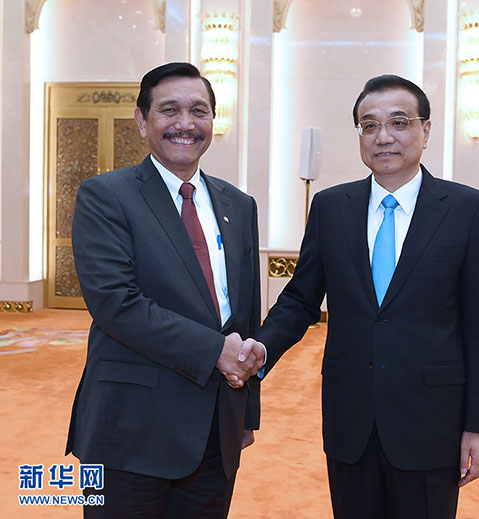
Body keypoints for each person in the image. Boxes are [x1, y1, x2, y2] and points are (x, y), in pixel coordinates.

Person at [240, 75, 479, 518]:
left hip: (432, 421)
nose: (383, 137)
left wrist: (478, 425)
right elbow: (300, 299)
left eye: (399, 122)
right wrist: (261, 348)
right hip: (350, 418)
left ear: (426, 130)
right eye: (369, 125)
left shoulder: (467, 209)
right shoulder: (330, 207)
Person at [66, 62, 265, 518]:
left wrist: (246, 413)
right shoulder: (106, 195)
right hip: (131, 429)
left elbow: (244, 314)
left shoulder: (239, 204)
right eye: (169, 110)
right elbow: (116, 304)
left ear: (213, 120)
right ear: (142, 120)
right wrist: (216, 352)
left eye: (199, 111)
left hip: (216, 428)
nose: (185, 123)